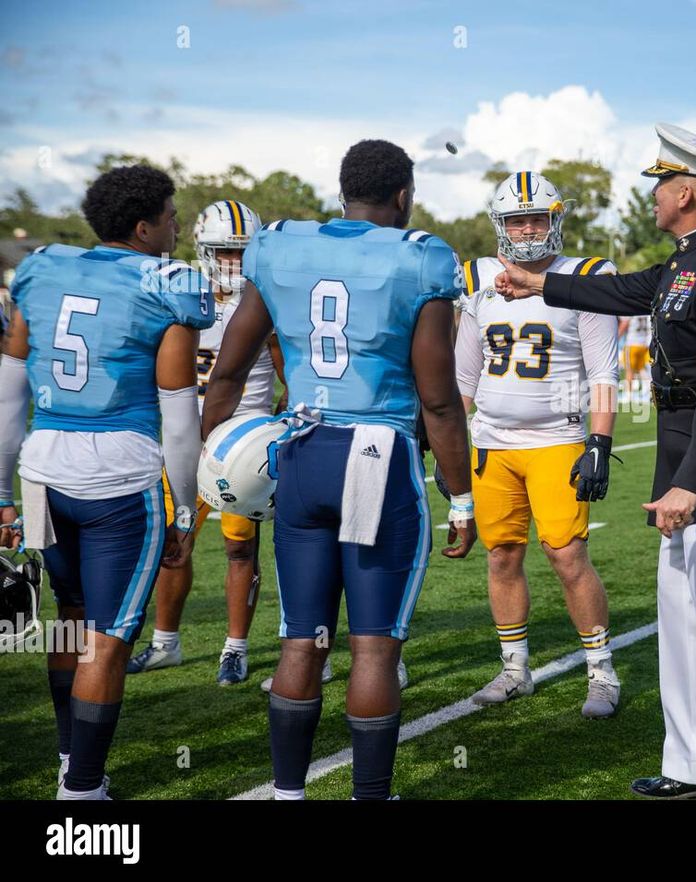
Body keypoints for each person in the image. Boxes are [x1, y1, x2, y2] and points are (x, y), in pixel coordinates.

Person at [495, 123, 696, 800]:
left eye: (663, 184)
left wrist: (693, 484)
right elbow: (626, 291)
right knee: (683, 613)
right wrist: (538, 285)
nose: (654, 195)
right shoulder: (687, 258)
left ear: (692, 193)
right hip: (685, 448)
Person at [201, 139, 476, 800]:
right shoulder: (420, 257)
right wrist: (462, 497)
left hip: (301, 450)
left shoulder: (280, 246)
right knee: (375, 648)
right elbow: (438, 396)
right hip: (376, 452)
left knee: (302, 640)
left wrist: (212, 450)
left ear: (343, 189)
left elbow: (229, 372)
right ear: (403, 194)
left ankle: (289, 794)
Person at [0, 165, 214, 799]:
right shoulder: (168, 287)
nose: (177, 227)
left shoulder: (42, 270)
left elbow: (9, 395)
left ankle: (72, 760)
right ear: (144, 225)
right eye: (172, 216)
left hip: (40, 473)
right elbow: (179, 420)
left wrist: (2, 494)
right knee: (110, 635)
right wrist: (184, 513)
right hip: (118, 476)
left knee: (69, 616)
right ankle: (82, 791)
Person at [455, 171, 622, 718]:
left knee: (567, 554)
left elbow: (602, 371)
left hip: (557, 440)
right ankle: (514, 669)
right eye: (516, 220)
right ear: (499, 225)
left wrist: (599, 441)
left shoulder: (586, 277)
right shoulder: (478, 278)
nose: (527, 230)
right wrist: (453, 447)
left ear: (556, 219)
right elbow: (464, 378)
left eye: (537, 218)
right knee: (502, 554)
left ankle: (601, 671)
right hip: (492, 442)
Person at [125, 200, 289, 686]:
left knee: (241, 547)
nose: (234, 263)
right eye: (225, 252)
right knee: (174, 546)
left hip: (241, 453)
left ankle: (235, 648)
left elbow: (290, 376)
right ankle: (164, 643)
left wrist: (274, 424)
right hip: (183, 446)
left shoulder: (266, 305)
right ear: (204, 250)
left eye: (243, 253)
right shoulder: (180, 298)